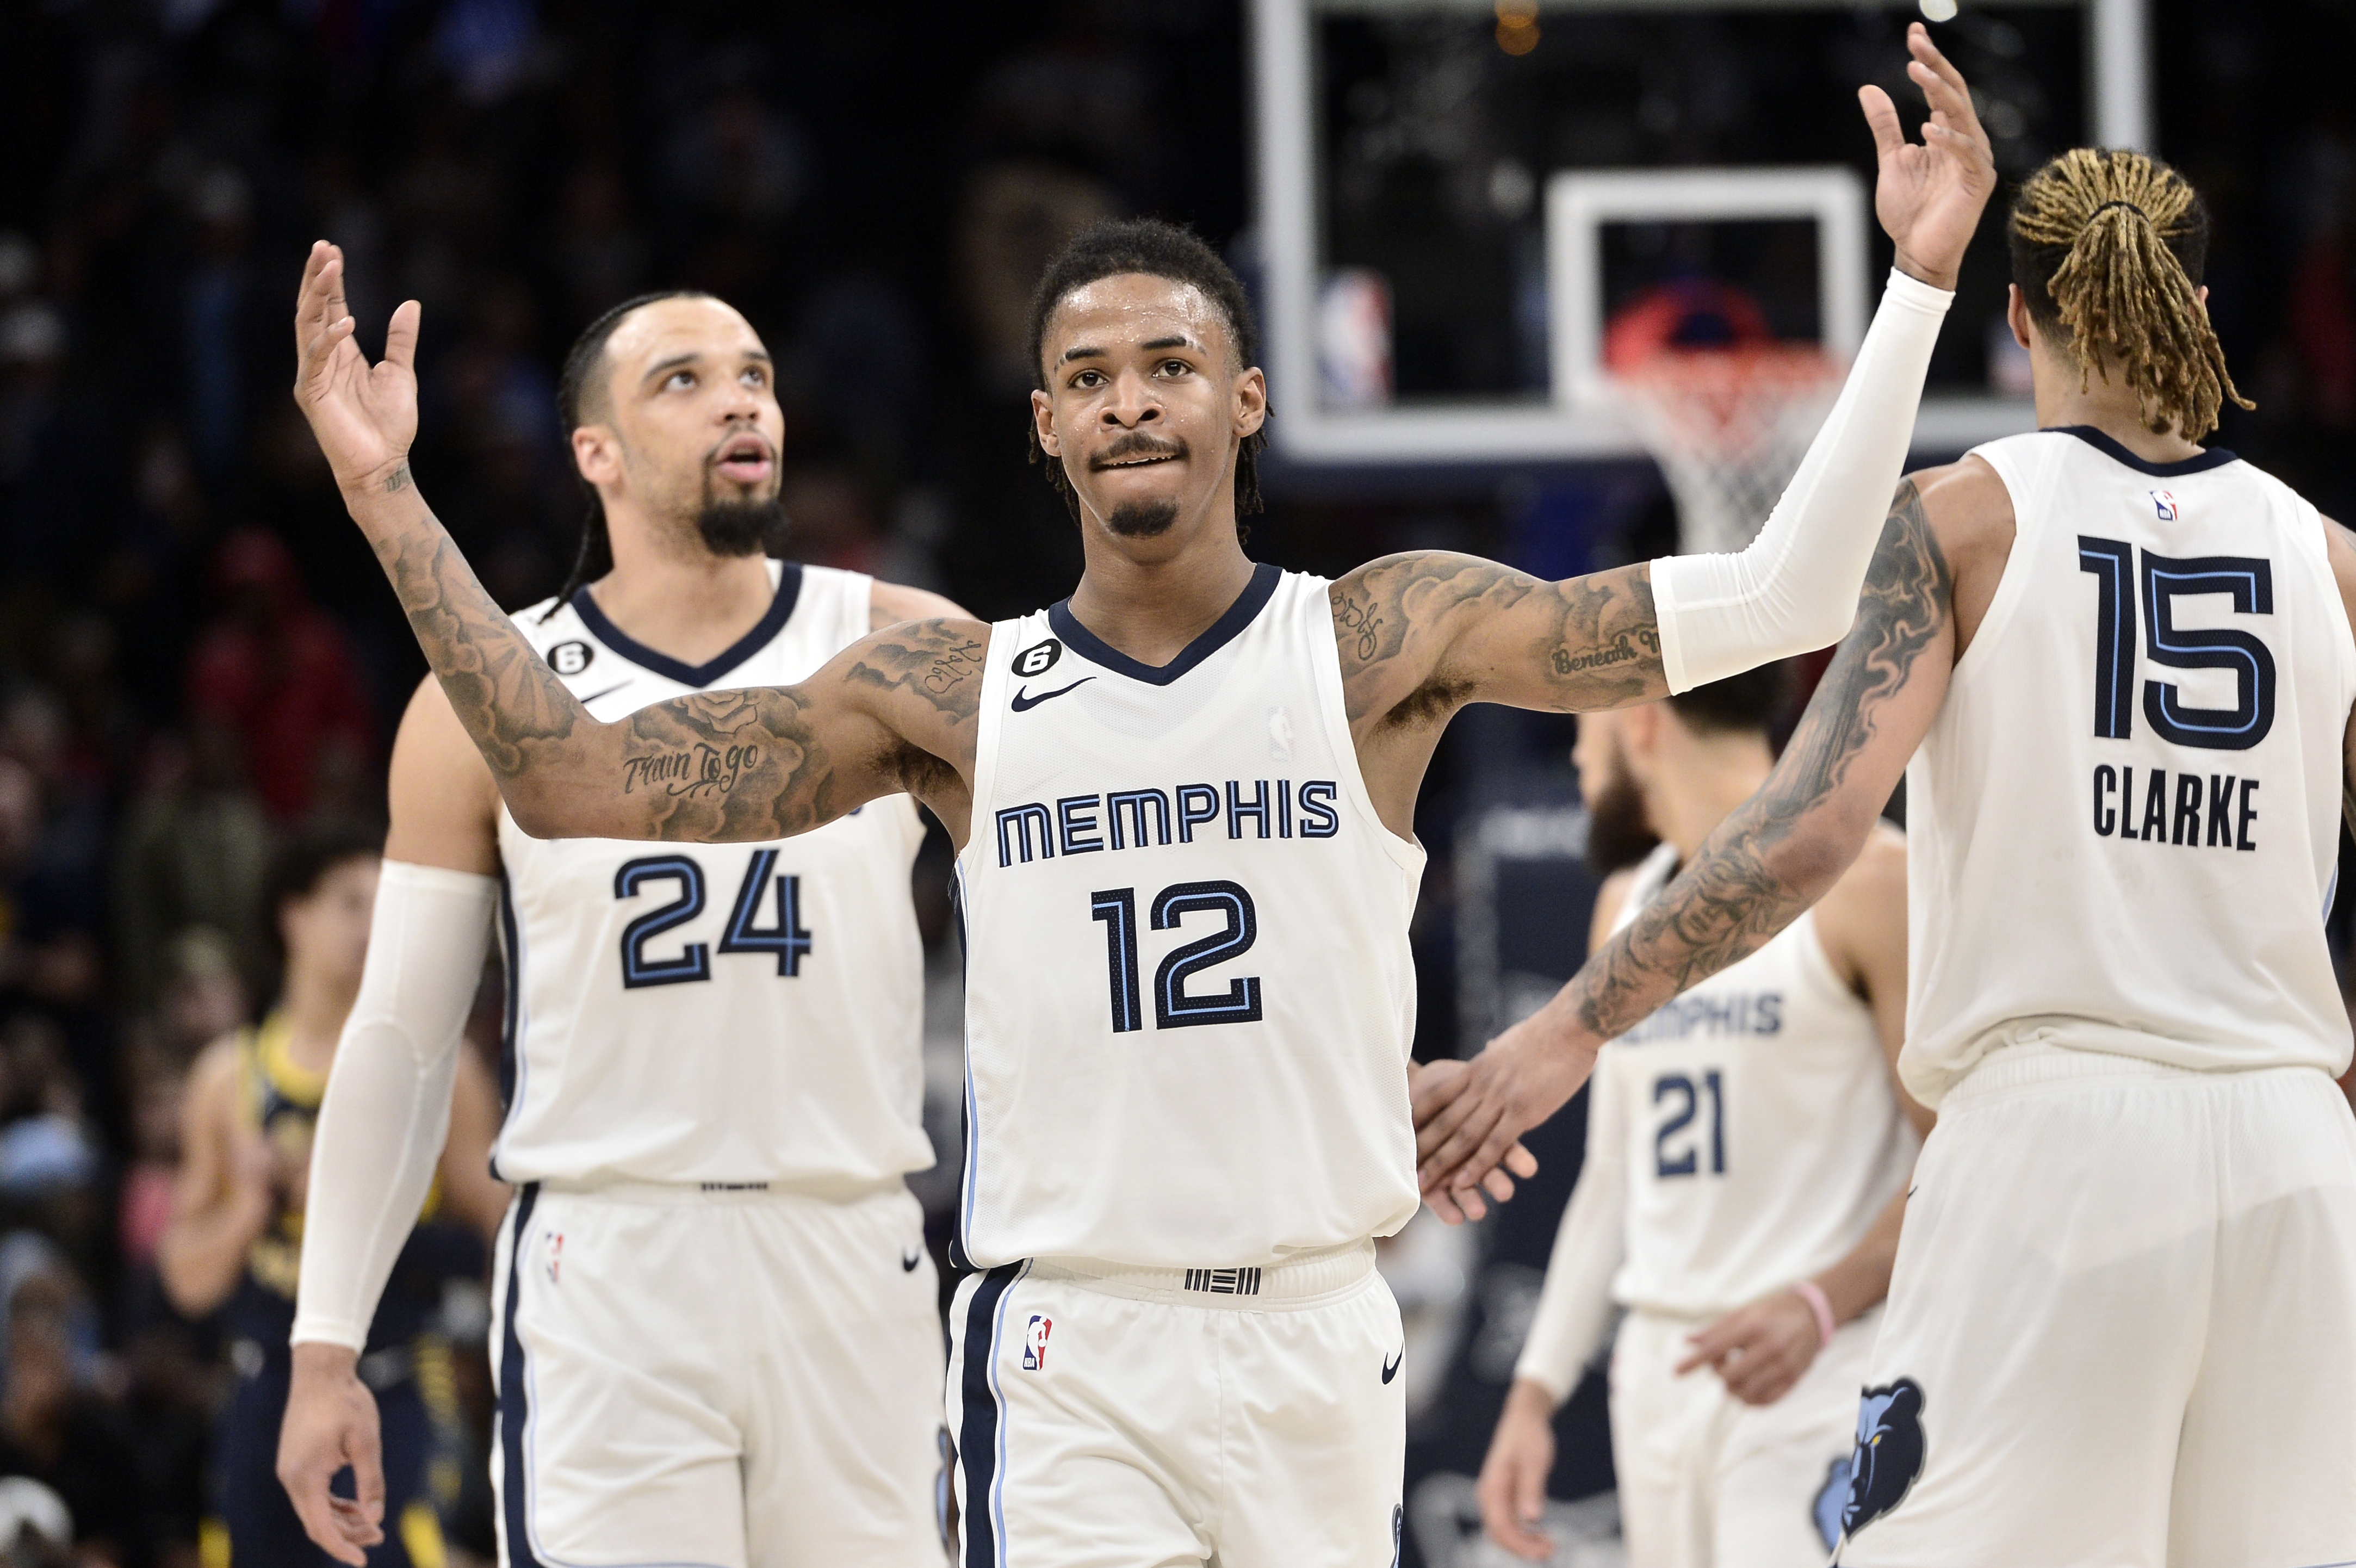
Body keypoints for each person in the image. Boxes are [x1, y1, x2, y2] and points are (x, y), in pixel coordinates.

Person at [287, 29, 1991, 1565]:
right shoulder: (950, 691)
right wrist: (389, 500)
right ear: (1042, 428)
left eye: (1166, 364)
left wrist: (1914, 287)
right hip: (1070, 1350)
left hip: (1319, 1326)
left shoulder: (1380, 633)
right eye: (1087, 378)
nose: (1127, 401)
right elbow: (580, 774)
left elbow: (1780, 596)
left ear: (1245, 399)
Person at [1418, 145, 2356, 1564]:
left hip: (2060, 1147)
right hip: (2294, 1152)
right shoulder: (2335, 562)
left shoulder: (1962, 518)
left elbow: (1808, 834)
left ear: (2021, 319)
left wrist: (1561, 1030)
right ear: (2201, 307)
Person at [275, 290, 968, 1568]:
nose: (741, 397)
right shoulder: (481, 691)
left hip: (853, 1240)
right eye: (685, 380)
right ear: (593, 450)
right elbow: (404, 1037)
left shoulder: (910, 647)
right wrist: (326, 1346)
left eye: (756, 372)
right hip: (610, 1259)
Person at [1476, 665, 1925, 1567]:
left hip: (1815, 1366)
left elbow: (1959, 1155)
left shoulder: (1872, 879)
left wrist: (1819, 1305)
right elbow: (1612, 1179)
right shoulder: (1623, 907)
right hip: (1657, 1377)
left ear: (1641, 721)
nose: (1572, 748)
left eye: (1583, 721)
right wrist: (1533, 1396)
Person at [158, 822, 506, 1567]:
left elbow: (504, 1236)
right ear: (294, 915)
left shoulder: (442, 1069)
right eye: (352, 903)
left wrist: (363, 1209)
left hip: (396, 1383)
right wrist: (250, 1207)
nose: (374, 926)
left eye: (385, 906)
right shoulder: (230, 1077)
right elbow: (187, 1281)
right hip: (259, 1394)